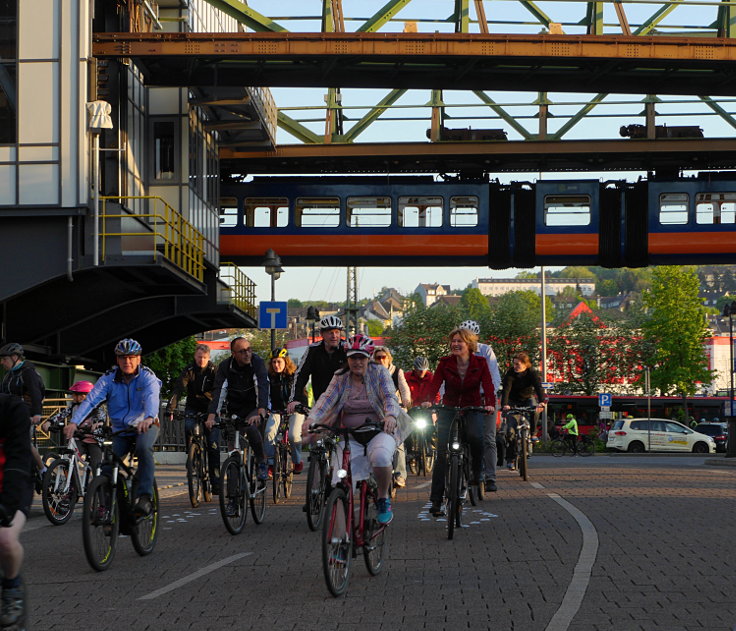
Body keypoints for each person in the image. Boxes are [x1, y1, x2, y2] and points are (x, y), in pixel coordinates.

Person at [303, 334, 399, 525]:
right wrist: (312, 418)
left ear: (368, 357)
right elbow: (326, 399)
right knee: (338, 481)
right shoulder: (340, 377)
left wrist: (390, 415)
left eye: (361, 357)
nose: (357, 362)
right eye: (353, 357)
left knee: (380, 458)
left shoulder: (379, 372)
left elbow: (389, 396)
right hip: (350, 437)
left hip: (378, 432)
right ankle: (339, 543)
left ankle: (382, 498)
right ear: (347, 358)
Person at [65, 338, 161, 517]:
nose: (127, 361)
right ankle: (109, 511)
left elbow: (152, 397)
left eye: (132, 357)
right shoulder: (109, 378)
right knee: (107, 466)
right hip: (120, 430)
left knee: (143, 448)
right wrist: (74, 422)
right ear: (117, 360)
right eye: (123, 358)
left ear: (139, 359)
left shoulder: (147, 377)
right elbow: (91, 399)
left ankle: (146, 497)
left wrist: (148, 417)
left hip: (145, 425)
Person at [422, 327, 496, 517]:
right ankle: (436, 500)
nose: (455, 344)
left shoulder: (480, 362)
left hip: (472, 407)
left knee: (476, 437)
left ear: (469, 344)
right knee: (442, 453)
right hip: (449, 408)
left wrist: (489, 404)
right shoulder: (445, 363)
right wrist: (429, 399)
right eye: (453, 341)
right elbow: (435, 383)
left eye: (459, 341)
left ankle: (477, 473)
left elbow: (488, 385)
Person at [206, 337, 269, 482]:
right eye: (242, 351)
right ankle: (233, 498)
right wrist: (211, 416)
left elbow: (262, 387)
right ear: (233, 354)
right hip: (234, 410)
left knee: (252, 429)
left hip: (254, 407)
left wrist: (261, 411)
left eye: (249, 350)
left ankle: (261, 461)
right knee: (233, 452)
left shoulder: (257, 363)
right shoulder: (225, 367)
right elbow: (218, 392)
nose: (247, 354)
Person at [166, 344, 220, 492]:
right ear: (195, 357)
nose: (201, 360)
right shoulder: (189, 370)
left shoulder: (214, 371)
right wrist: (170, 408)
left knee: (212, 444)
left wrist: (215, 412)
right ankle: (191, 457)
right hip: (193, 407)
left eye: (204, 357)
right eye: (198, 357)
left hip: (211, 409)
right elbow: (179, 389)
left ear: (208, 358)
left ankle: (215, 481)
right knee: (189, 426)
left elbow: (219, 391)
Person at [0, 394, 33, 630]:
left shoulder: (13, 409)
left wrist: (7, 505)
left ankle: (12, 587)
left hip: (11, 485)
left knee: (6, 539)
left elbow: (19, 458)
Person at [458, 321, 501, 493]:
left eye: (470, 337)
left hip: (484, 398)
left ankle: (490, 477)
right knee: (462, 438)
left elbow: (494, 377)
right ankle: (464, 470)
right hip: (465, 399)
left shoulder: (486, 351)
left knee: (488, 438)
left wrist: (490, 399)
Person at [0, 343, 46, 486]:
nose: (2, 362)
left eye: (4, 359)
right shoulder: (8, 376)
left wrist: (37, 413)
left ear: (15, 357)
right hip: (10, 414)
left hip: (27, 413)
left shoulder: (28, 372)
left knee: (25, 442)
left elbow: (35, 393)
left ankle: (43, 470)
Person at [286, 315, 346, 415]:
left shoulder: (347, 349)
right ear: (322, 334)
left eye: (337, 332)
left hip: (345, 403)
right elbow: (300, 375)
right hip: (322, 404)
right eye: (330, 332)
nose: (334, 336)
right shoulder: (313, 350)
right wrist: (294, 399)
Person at [372, 346, 411, 488]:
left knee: (398, 443)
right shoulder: (371, 372)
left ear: (389, 358)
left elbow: (404, 388)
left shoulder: (397, 371)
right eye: (378, 357)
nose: (381, 360)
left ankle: (400, 475)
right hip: (378, 412)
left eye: (384, 357)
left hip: (396, 410)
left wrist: (406, 400)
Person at [501, 351, 546, 471]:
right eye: (514, 363)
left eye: (518, 364)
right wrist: (505, 404)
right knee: (510, 431)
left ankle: (533, 434)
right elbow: (506, 390)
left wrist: (542, 402)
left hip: (527, 398)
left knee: (535, 409)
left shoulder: (531, 373)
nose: (515, 366)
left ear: (525, 365)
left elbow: (538, 387)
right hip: (512, 401)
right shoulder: (510, 373)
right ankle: (510, 459)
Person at [263, 347, 306, 476]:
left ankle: (297, 461)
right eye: (273, 362)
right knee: (269, 433)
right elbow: (266, 395)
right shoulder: (269, 378)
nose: (276, 365)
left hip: (294, 410)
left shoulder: (294, 376)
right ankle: (271, 464)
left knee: (293, 435)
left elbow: (302, 394)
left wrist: (300, 405)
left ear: (286, 362)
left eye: (279, 362)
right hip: (276, 410)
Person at [47, 381, 106, 472]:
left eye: (74, 395)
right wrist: (49, 422)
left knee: (96, 464)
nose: (72, 397)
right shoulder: (73, 407)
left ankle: (97, 484)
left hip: (93, 439)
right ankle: (72, 483)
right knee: (70, 458)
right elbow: (61, 415)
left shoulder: (96, 407)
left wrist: (99, 423)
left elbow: (101, 416)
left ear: (83, 396)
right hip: (79, 438)